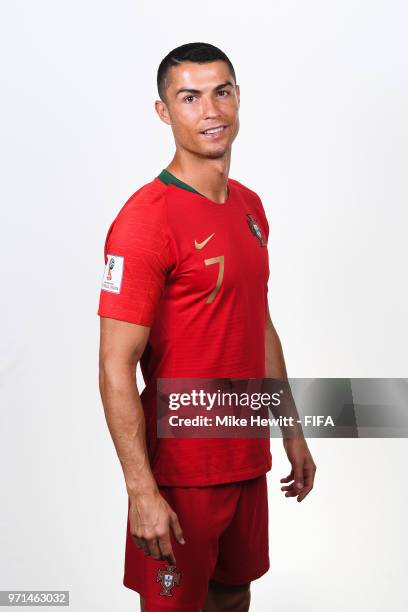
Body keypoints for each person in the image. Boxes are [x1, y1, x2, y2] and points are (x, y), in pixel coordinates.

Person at [98, 42, 316, 612]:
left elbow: (258, 324)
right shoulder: (145, 220)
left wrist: (290, 428)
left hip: (246, 455)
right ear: (164, 112)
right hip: (181, 471)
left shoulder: (250, 206)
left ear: (238, 97)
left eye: (221, 92)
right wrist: (141, 491)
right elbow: (114, 365)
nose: (211, 110)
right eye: (189, 97)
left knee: (234, 595)